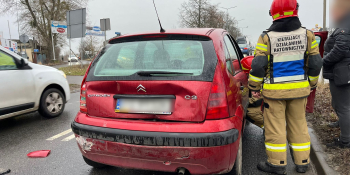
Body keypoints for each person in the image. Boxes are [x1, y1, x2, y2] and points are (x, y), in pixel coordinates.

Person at [248, 0, 323, 174]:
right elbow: (315, 63)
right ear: (295, 11)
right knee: (298, 125)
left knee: (275, 128)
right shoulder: (308, 35)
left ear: (273, 13)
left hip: (274, 93)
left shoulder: (266, 37)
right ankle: (303, 162)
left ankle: (277, 164)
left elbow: (258, 65)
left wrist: (254, 86)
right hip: (299, 91)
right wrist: (311, 83)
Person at [323, 0, 350, 148]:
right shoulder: (344, 23)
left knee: (343, 107)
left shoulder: (346, 25)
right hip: (339, 71)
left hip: (342, 72)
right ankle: (342, 124)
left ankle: (346, 140)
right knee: (338, 104)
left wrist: (324, 61)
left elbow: (340, 49)